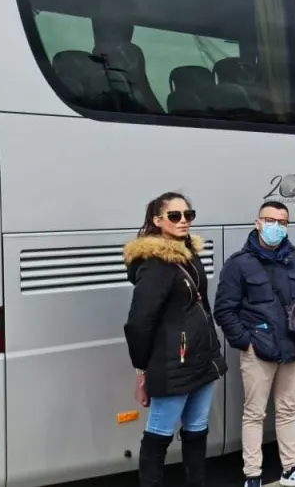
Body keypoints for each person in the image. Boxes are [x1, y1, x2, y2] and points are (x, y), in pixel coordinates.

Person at [213, 201, 295, 487]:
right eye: (270, 220)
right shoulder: (239, 263)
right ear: (257, 222)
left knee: (288, 410)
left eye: (282, 222)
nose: (276, 226)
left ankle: (291, 469)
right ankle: (253, 475)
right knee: (254, 413)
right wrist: (245, 342)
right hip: (259, 352)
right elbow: (224, 309)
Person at [123, 192, 227, 487]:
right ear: (157, 221)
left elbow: (200, 305)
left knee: (197, 430)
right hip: (174, 363)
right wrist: (142, 370)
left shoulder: (187, 253)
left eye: (188, 215)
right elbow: (139, 322)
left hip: (202, 358)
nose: (183, 221)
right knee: (158, 435)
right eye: (175, 216)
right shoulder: (155, 264)